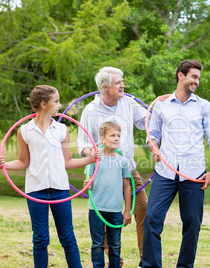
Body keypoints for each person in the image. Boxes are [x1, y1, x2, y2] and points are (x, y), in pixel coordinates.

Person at [0, 85, 100, 268]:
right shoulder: (24, 131)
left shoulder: (62, 130)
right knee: (41, 238)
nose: (60, 105)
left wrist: (90, 160)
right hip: (36, 191)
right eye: (56, 101)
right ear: (44, 104)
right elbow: (23, 162)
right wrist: (6, 165)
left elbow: (66, 162)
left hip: (60, 190)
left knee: (67, 236)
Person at [143, 59, 210, 268]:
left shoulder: (204, 106)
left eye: (198, 78)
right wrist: (154, 148)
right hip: (165, 172)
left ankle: (185, 266)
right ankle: (150, 265)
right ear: (181, 76)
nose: (197, 81)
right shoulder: (161, 105)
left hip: (194, 173)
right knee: (151, 218)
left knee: (192, 224)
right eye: (194, 76)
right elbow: (153, 134)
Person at [77, 67, 148, 267]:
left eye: (122, 81)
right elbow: (82, 144)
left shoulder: (128, 103)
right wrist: (92, 153)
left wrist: (161, 108)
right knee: (104, 214)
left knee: (143, 210)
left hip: (127, 168)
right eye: (118, 82)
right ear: (105, 86)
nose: (122, 85)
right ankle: (113, 260)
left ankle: (145, 260)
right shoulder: (91, 110)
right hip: (103, 169)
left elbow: (146, 121)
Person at [83, 121, 132, 268]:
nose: (116, 138)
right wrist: (87, 185)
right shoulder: (94, 159)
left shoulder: (122, 161)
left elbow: (127, 186)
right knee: (97, 244)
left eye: (118, 135)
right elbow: (88, 182)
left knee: (115, 245)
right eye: (112, 135)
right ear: (102, 139)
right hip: (96, 208)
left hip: (115, 209)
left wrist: (127, 210)